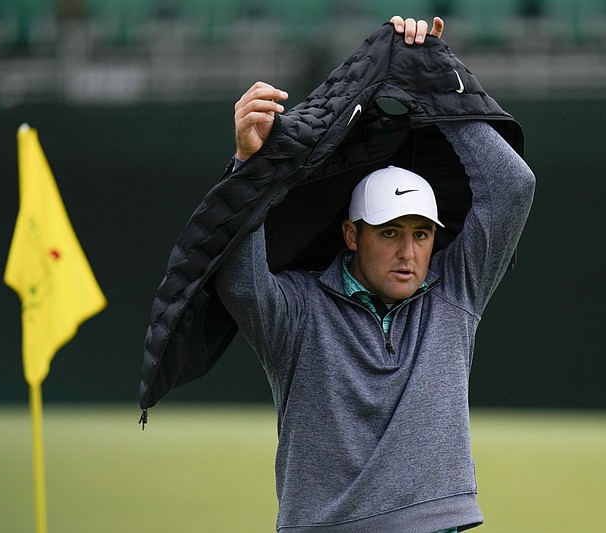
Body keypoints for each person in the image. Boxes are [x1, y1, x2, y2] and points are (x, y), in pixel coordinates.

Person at [211, 15, 536, 533]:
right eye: (389, 233)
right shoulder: (300, 311)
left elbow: (512, 184)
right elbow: (240, 283)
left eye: (421, 234)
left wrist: (431, 69)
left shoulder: (455, 291)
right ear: (351, 235)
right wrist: (249, 166)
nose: (409, 252)